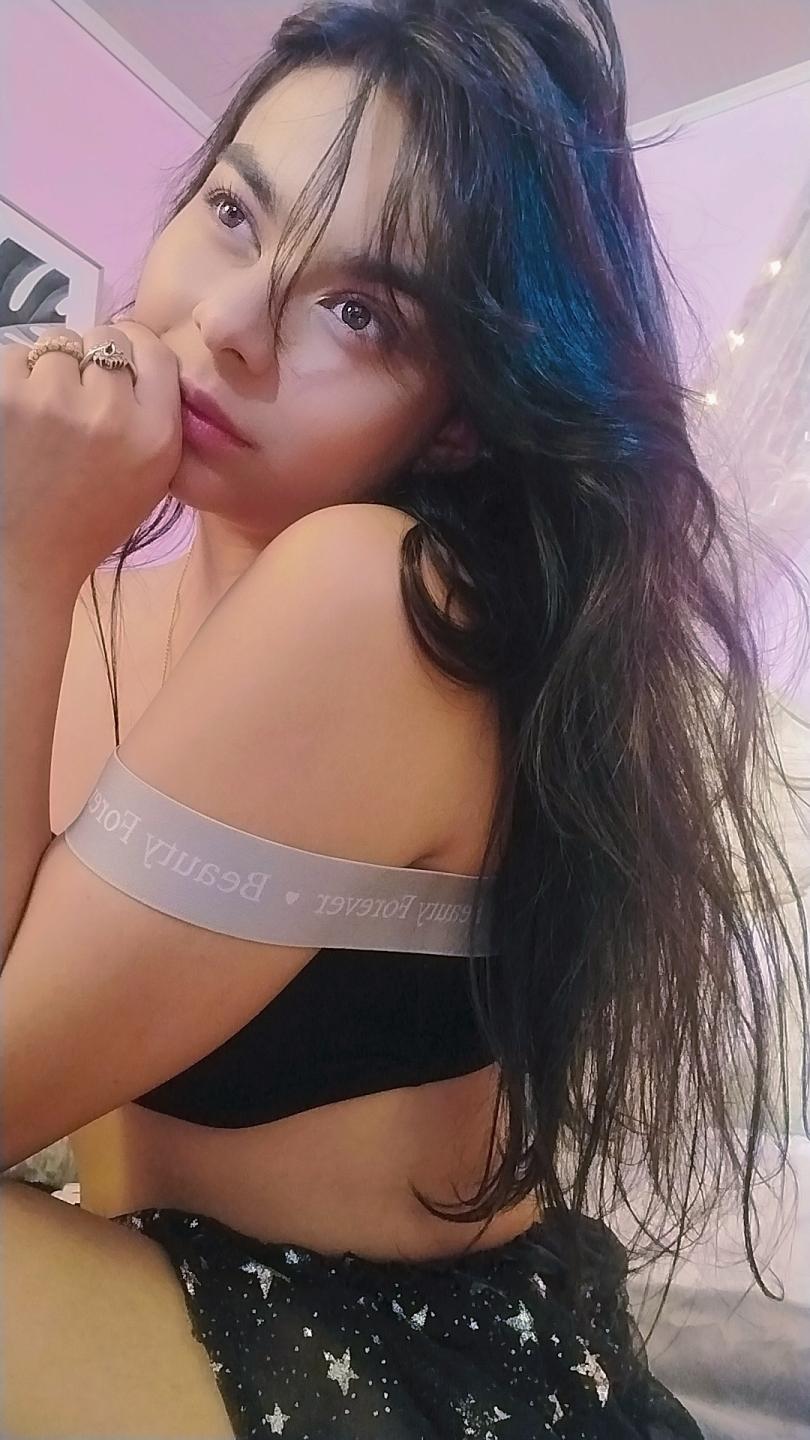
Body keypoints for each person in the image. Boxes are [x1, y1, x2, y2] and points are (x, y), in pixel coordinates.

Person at [2, 2, 807, 1437]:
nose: (229, 326)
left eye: (359, 311)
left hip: (407, 1370)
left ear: (455, 418)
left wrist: (19, 559)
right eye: (234, 215)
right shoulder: (110, 600)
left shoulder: (382, 598)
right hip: (162, 1298)